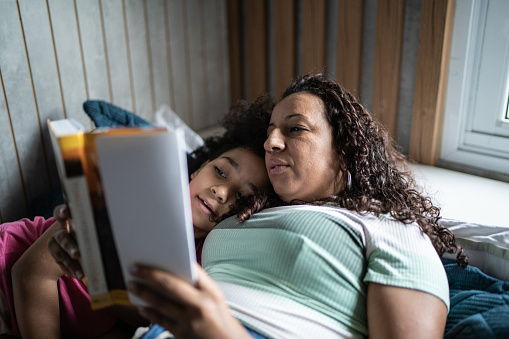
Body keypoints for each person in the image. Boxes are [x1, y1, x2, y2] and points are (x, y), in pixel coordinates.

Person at [50, 74, 467, 338]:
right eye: (269, 132)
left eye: (295, 129)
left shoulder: (391, 228)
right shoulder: (236, 219)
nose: (271, 142)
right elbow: (159, 314)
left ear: (345, 150)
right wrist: (103, 272)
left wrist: (219, 331)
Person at [0, 96, 273, 339]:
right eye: (221, 172)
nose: (221, 192)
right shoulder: (136, 194)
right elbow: (30, 274)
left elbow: (136, 316)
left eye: (241, 197)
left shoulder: (204, 260)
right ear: (199, 168)